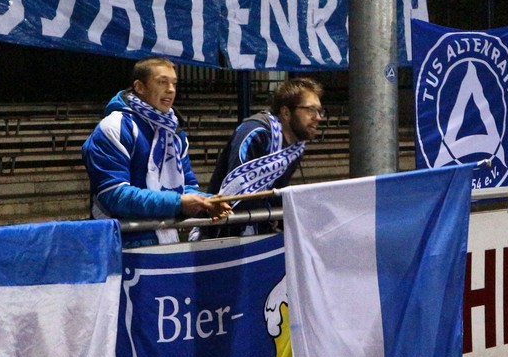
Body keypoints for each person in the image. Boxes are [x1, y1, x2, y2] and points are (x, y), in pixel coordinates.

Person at [81, 56, 230, 247]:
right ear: (139, 87)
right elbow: (114, 195)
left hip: (166, 243)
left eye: (174, 83)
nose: (171, 89)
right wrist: (179, 202)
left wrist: (207, 202)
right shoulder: (114, 127)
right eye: (162, 82)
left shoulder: (175, 133)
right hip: (121, 247)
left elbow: (186, 187)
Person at [200, 76, 325, 237]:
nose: (318, 117)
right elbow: (236, 192)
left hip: (260, 233)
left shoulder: (295, 149)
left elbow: (274, 194)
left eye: (319, 111)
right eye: (310, 110)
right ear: (286, 112)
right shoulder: (255, 133)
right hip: (223, 233)